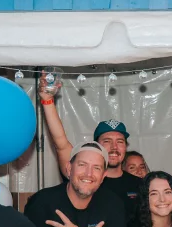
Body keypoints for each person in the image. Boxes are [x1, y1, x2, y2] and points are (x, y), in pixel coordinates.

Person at [37, 76, 142, 212]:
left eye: (120, 142)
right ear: (96, 145)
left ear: (125, 146)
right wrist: (47, 101)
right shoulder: (83, 176)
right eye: (107, 141)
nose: (114, 147)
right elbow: (61, 143)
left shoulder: (139, 184)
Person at [24, 141, 127, 227]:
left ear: (103, 176)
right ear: (69, 168)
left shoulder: (113, 203)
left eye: (96, 168)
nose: (88, 174)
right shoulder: (42, 202)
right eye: (82, 165)